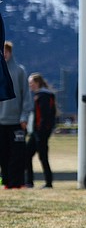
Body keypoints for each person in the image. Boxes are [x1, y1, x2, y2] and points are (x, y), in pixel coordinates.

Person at [1, 41, 32, 189]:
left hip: (16, 122)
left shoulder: (20, 71)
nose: (4, 54)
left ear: (10, 52)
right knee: (3, 154)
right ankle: (6, 182)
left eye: (6, 51)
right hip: (1, 122)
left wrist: (24, 117)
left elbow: (26, 96)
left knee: (18, 155)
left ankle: (17, 182)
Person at [25, 73, 56, 188]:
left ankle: (48, 182)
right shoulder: (42, 95)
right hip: (36, 132)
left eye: (31, 83)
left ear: (37, 83)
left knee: (42, 157)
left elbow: (44, 115)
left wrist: (40, 130)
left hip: (40, 132)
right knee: (28, 155)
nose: (30, 86)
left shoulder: (43, 96)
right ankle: (29, 181)